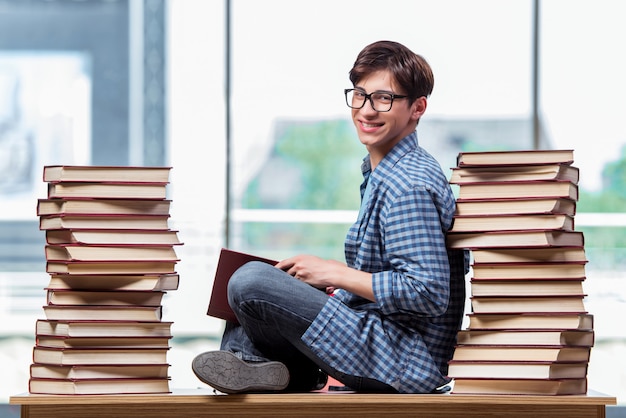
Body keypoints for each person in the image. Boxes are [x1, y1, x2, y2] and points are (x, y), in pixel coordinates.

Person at [192, 40, 469, 394]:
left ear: (417, 108)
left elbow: (427, 292)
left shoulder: (408, 183)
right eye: (360, 95)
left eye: (384, 98)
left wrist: (335, 272)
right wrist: (333, 282)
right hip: (378, 337)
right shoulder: (385, 172)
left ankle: (258, 364)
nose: (367, 110)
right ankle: (268, 369)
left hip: (402, 359)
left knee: (249, 281)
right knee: (265, 279)